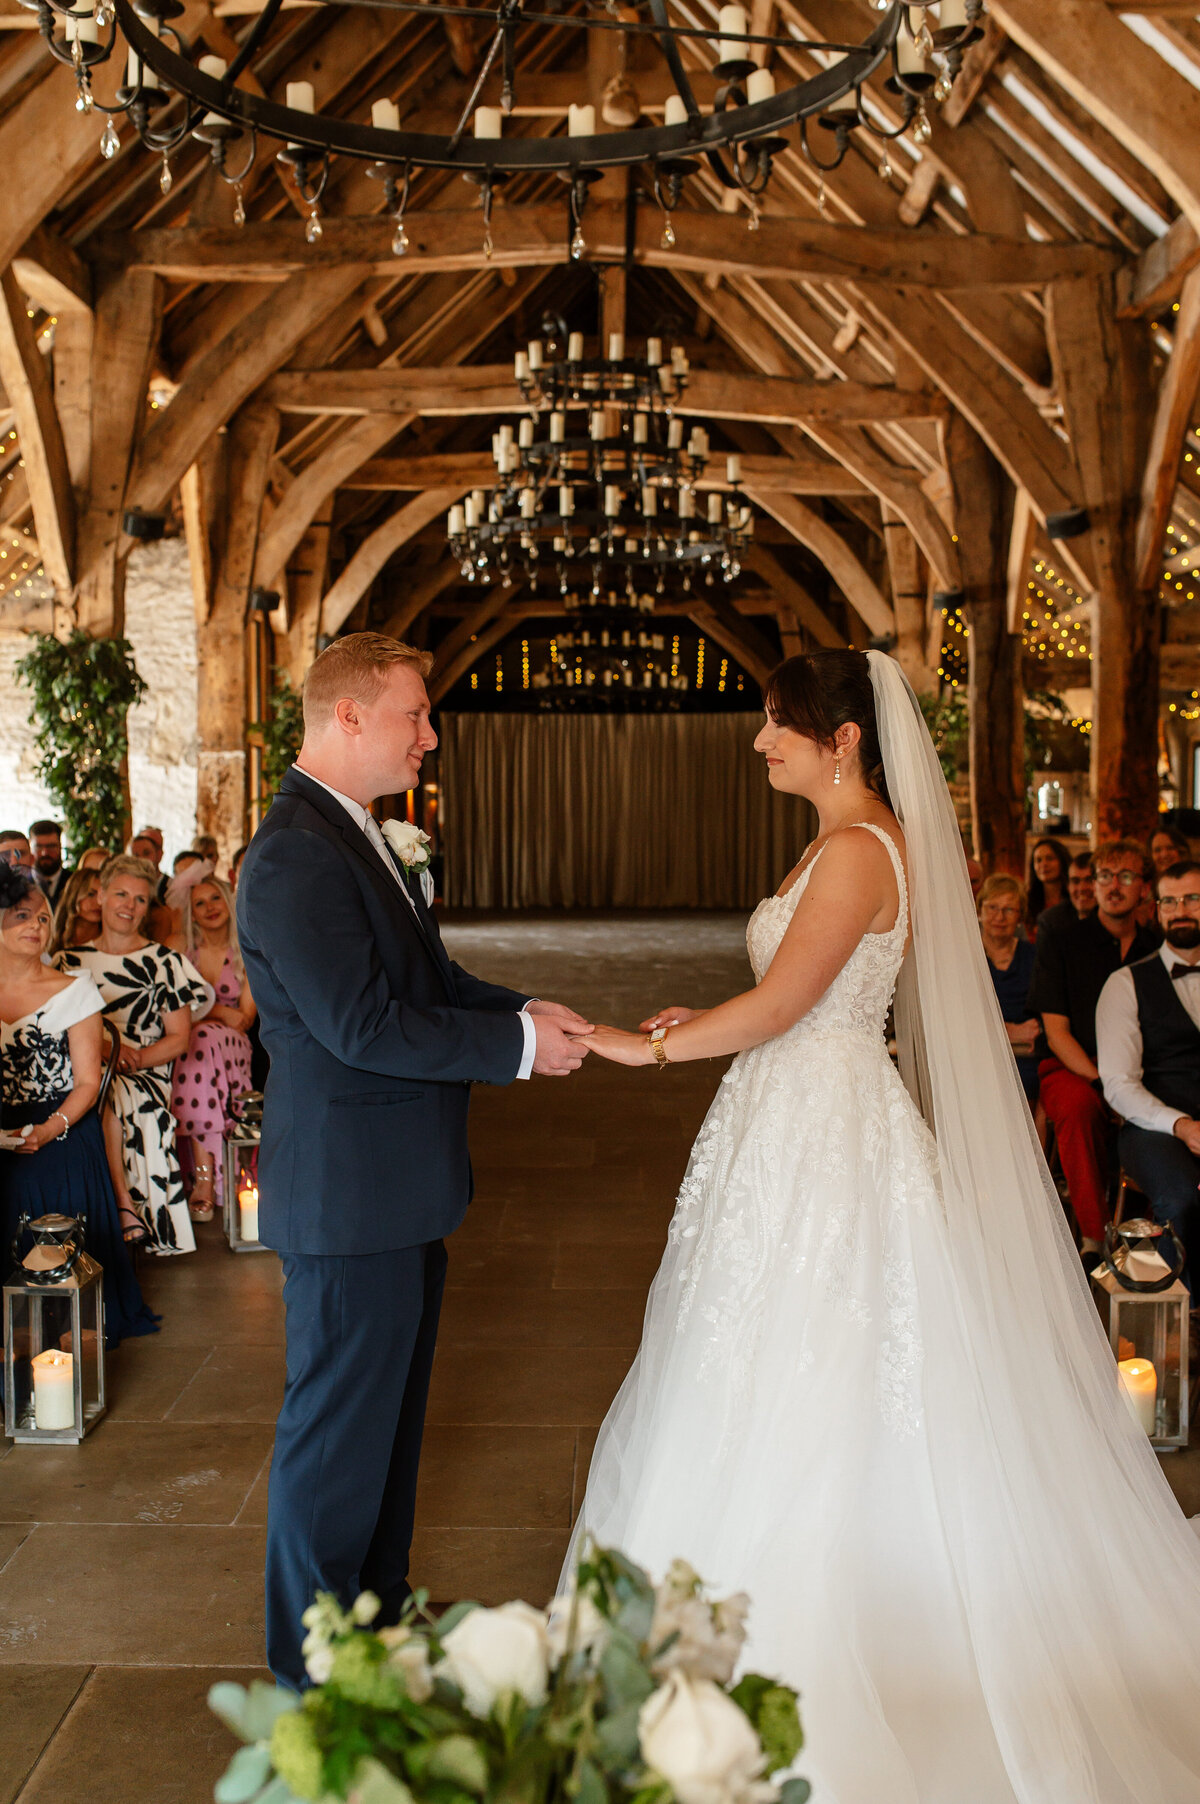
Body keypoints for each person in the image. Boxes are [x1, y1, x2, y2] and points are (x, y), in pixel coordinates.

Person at [571, 649, 1200, 1804]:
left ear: (844, 738)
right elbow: (785, 999)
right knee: (759, 1354)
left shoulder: (860, 851)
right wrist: (703, 1017)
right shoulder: (835, 842)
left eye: (778, 724)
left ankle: (826, 1635)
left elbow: (785, 1004)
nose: (762, 741)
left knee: (823, 1358)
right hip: (793, 1117)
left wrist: (639, 1043)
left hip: (827, 1135)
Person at [236, 631, 594, 1692]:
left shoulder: (356, 835)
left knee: (383, 1440)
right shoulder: (297, 850)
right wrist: (518, 1050)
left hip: (393, 1192)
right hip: (349, 1197)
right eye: (415, 715)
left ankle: (375, 1624)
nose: (430, 736)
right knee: (335, 1443)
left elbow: (426, 979)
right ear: (347, 715)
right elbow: (359, 1024)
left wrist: (521, 1007)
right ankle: (310, 1671)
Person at [0, 867, 157, 1341]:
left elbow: (89, 1084)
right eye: (22, 915)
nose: (37, 926)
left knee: (43, 1170)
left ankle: (63, 1316)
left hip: (63, 1120)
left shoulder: (74, 989)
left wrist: (49, 1128)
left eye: (44, 918)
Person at [56, 855, 212, 1256]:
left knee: (110, 1093)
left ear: (149, 908)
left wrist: (135, 1058)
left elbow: (179, 1038)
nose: (129, 905)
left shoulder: (165, 963)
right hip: (82, 1062)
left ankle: (122, 1207)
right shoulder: (68, 962)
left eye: (140, 899)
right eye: (121, 894)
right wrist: (104, 1050)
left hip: (141, 1069)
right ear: (102, 896)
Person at [1028, 842, 1159, 1259]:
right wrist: (1105, 1083)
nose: (1113, 886)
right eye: (1104, 875)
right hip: (1074, 1067)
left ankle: (1153, 1237)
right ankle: (1093, 1239)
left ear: (1144, 887)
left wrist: (1130, 1087)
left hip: (1143, 1070)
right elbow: (1056, 1030)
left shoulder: (1158, 948)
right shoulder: (1062, 941)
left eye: (1125, 876)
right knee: (1080, 1106)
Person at [1097, 859, 1200, 1303]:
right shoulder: (1125, 984)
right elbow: (1119, 1085)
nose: (1181, 910)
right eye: (1170, 901)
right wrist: (1182, 1125)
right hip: (1154, 1127)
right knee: (1180, 1200)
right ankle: (1184, 1312)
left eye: (1193, 899)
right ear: (1156, 910)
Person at [169, 874, 255, 1223]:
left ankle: (204, 1180)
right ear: (192, 914)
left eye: (215, 899)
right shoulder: (180, 948)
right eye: (200, 904)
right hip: (189, 1046)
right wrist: (218, 1011)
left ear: (227, 901)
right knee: (195, 1042)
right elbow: (169, 1007)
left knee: (198, 1039)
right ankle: (208, 1177)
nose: (209, 908)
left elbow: (245, 1018)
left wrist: (199, 1013)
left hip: (233, 1049)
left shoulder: (247, 947)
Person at [977, 873, 1039, 1103]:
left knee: (1031, 1080)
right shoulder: (966, 956)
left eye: (1009, 910)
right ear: (980, 910)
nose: (999, 917)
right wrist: (1008, 1032)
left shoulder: (1034, 956)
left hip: (1026, 1057)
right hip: (978, 1054)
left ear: (1020, 916)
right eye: (992, 907)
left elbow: (1041, 1017)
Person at [48, 867, 103, 957]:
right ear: (74, 895)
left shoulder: (109, 943)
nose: (98, 902)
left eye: (102, 896)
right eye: (90, 894)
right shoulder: (53, 938)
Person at [1027, 835, 1070, 932]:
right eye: (1038, 860)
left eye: (1050, 858)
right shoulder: (1027, 902)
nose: (1043, 864)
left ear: (1062, 861)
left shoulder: (1074, 899)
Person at [28, 818, 69, 910]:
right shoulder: (20, 885)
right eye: (38, 847)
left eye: (51, 846)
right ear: (30, 847)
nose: (45, 853)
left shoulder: (74, 882)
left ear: (60, 846)